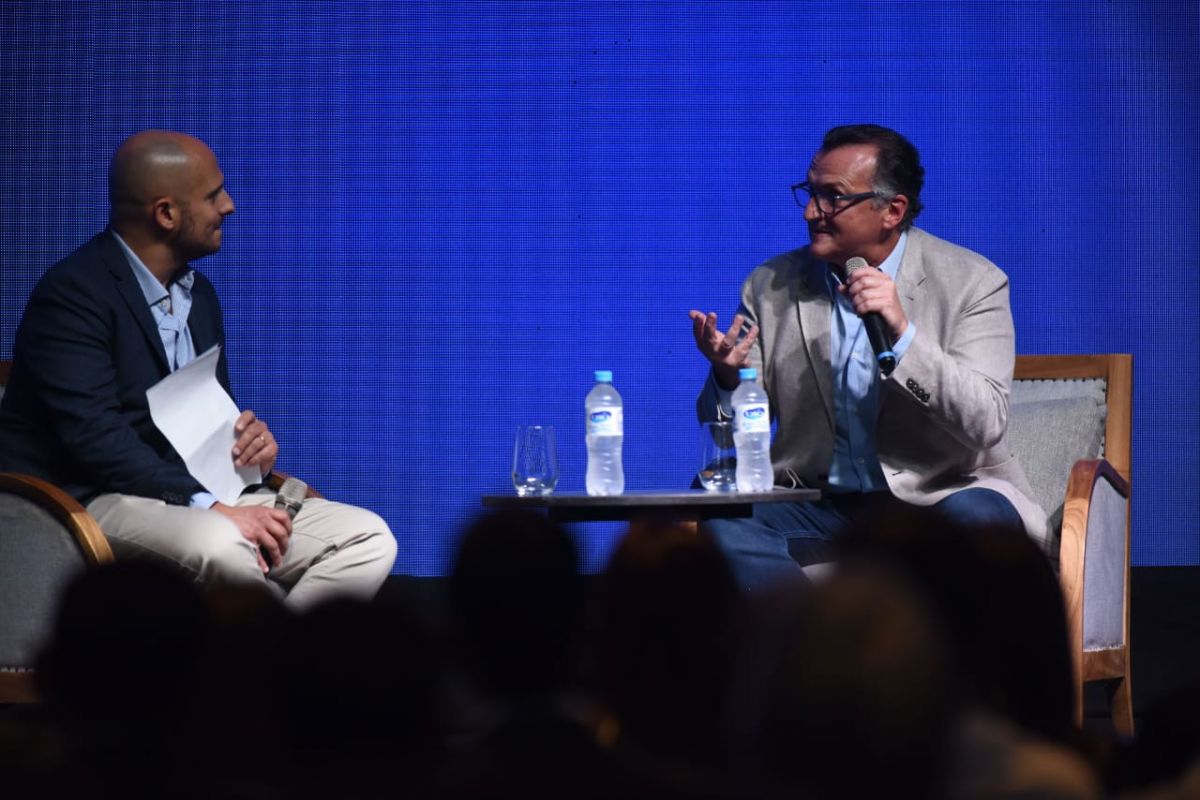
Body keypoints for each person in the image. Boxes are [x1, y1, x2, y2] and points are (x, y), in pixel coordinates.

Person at [0, 130, 396, 609]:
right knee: (224, 544)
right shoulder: (73, 296)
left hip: (188, 493)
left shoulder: (199, 296)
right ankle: (267, 651)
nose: (228, 206)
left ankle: (277, 653)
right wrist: (211, 507)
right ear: (166, 213)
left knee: (368, 537)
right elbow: (94, 437)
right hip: (93, 498)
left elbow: (201, 417)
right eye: (213, 196)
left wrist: (249, 451)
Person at [689, 123, 1046, 590]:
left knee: (979, 518)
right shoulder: (771, 285)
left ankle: (903, 634)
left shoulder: (972, 282)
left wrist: (902, 334)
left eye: (832, 197)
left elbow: (985, 422)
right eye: (810, 193)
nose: (812, 212)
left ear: (892, 210)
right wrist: (727, 378)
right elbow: (730, 435)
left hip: (936, 497)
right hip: (819, 505)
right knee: (725, 511)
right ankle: (804, 628)